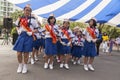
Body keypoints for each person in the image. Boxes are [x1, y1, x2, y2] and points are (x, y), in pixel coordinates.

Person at [13, 5, 39, 73]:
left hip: (29, 36)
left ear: (31, 11)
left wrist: (31, 32)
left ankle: (25, 66)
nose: (27, 11)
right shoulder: (20, 18)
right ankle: (20, 65)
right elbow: (17, 26)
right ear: (24, 11)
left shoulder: (33, 20)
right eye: (26, 10)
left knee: (26, 53)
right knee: (19, 53)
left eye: (29, 10)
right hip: (21, 36)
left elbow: (37, 30)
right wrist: (18, 30)